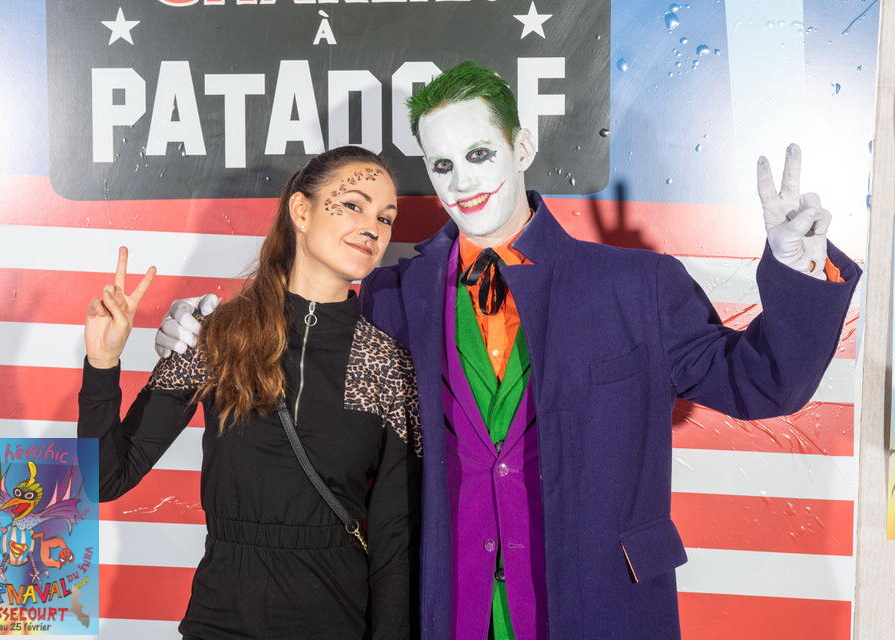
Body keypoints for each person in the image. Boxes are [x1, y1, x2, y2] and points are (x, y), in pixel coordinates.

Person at [156, 63, 860, 639]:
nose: (463, 181)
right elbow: (298, 369)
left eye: (478, 154)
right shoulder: (392, 297)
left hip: (598, 604)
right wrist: (197, 334)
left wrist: (797, 269)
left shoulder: (635, 285)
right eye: (442, 165)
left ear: (521, 148)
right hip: (446, 606)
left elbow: (765, 384)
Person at [78, 145, 422, 640]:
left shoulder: (388, 365)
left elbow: (394, 544)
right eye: (353, 205)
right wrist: (103, 362)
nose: (373, 228)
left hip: (337, 622)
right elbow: (104, 479)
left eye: (385, 218)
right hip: (219, 622)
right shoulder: (216, 336)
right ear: (300, 210)